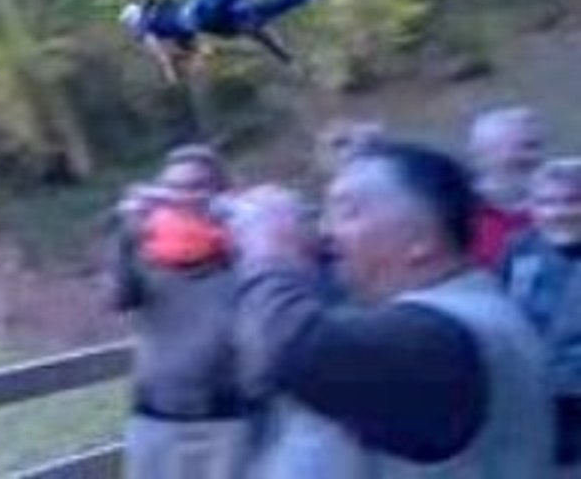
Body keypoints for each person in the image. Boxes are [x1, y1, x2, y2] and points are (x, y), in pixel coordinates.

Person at [229, 141, 552, 478]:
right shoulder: (455, 312)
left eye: (349, 212)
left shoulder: (442, 334)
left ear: (424, 239)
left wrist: (269, 249)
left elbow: (284, 346)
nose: (325, 232)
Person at [110, 145, 256, 479]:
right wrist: (126, 235)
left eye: (196, 187)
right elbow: (120, 299)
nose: (183, 197)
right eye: (173, 187)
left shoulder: (246, 250)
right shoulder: (143, 246)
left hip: (227, 418)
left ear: (220, 193)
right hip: (156, 416)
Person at [502, 158, 581, 474]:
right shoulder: (521, 248)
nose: (558, 213)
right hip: (529, 399)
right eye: (546, 202)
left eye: (573, 201)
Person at [119, 0, 320, 82]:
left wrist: (168, 68)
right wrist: (198, 53)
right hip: (213, 22)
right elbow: (185, 41)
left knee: (211, 9)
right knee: (256, 15)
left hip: (199, 15)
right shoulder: (165, 22)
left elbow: (156, 45)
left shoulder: (146, 25)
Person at [468, 107, 546, 268]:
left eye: (537, 146)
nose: (535, 157)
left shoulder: (566, 207)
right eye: (525, 147)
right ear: (483, 154)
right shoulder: (454, 212)